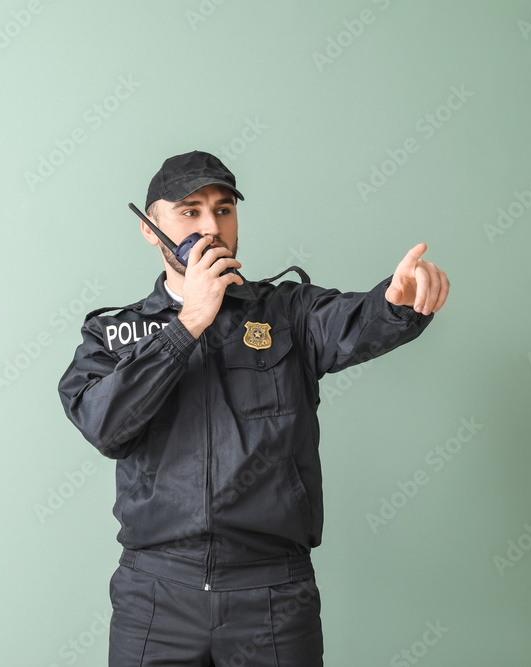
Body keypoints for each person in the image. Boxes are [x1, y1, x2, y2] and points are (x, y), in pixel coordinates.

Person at [57, 150, 449, 666]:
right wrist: (188, 324)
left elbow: (358, 319)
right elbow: (104, 425)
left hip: (273, 598)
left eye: (223, 209)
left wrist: (398, 302)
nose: (210, 226)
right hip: (154, 595)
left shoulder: (289, 312)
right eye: (190, 211)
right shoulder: (113, 333)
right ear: (151, 229)